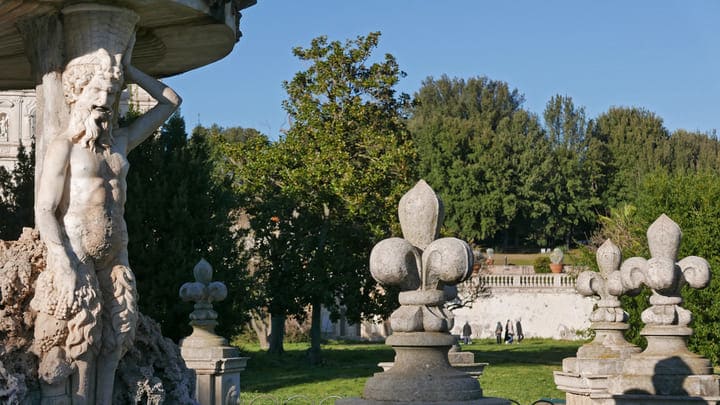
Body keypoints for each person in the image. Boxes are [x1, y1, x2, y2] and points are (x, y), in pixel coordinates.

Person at [32, 36, 181, 404]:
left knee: (117, 338)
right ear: (76, 96)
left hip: (117, 257)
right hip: (78, 254)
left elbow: (172, 102)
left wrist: (128, 72)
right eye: (96, 93)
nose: (104, 103)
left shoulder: (120, 143)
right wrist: (62, 261)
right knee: (80, 342)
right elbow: (45, 209)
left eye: (110, 96)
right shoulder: (64, 148)